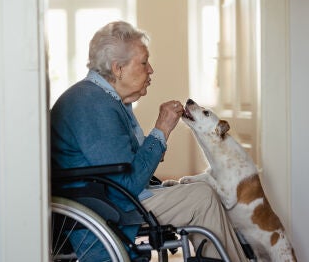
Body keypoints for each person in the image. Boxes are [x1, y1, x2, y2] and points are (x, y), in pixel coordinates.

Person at [51, 21, 247, 261]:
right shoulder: (92, 104)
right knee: (202, 197)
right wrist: (161, 129)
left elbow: (124, 164)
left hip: (106, 194)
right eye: (144, 62)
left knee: (195, 191)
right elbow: (127, 185)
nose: (151, 69)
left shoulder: (102, 98)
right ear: (118, 68)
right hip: (104, 205)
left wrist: (156, 141)